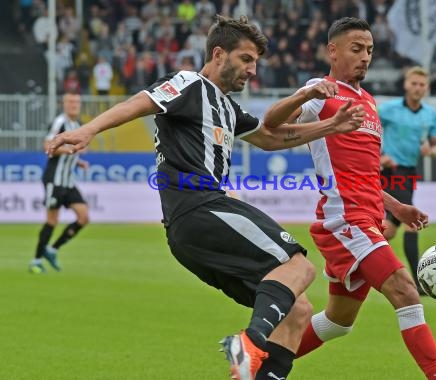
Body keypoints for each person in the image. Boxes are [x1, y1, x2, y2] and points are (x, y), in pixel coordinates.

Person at [47, 16, 365, 380]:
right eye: (245, 59)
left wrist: (331, 126)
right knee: (300, 267)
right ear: (218, 53)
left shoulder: (228, 108)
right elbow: (142, 101)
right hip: (199, 206)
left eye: (256, 62)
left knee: (297, 311)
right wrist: (89, 129)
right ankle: (251, 340)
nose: (252, 69)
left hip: (189, 230)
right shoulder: (189, 83)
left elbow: (273, 138)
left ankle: (256, 362)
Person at [261, 18, 436, 379]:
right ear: (333, 51)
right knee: (406, 292)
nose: (365, 57)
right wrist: (306, 94)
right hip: (346, 220)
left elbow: (364, 177)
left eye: (370, 50)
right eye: (356, 49)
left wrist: (396, 207)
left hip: (370, 217)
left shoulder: (368, 101)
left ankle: (254, 355)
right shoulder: (322, 91)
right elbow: (270, 123)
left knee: (338, 321)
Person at [379, 66, 436, 293]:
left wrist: (431, 151)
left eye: (421, 85)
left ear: (427, 88)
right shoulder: (387, 110)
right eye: (413, 83)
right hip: (389, 170)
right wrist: (380, 154)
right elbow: (367, 130)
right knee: (411, 222)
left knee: (390, 230)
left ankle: (358, 260)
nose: (417, 88)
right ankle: (418, 282)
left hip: (409, 171)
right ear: (406, 84)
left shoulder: (430, 115)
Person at [29, 93, 89, 274]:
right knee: (52, 220)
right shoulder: (60, 122)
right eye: (70, 102)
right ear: (64, 104)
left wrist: (78, 162)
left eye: (77, 102)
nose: (74, 105)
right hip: (54, 179)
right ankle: (36, 261)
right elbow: (47, 147)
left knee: (83, 217)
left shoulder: (78, 125)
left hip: (68, 181)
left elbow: (69, 152)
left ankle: (52, 250)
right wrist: (70, 150)